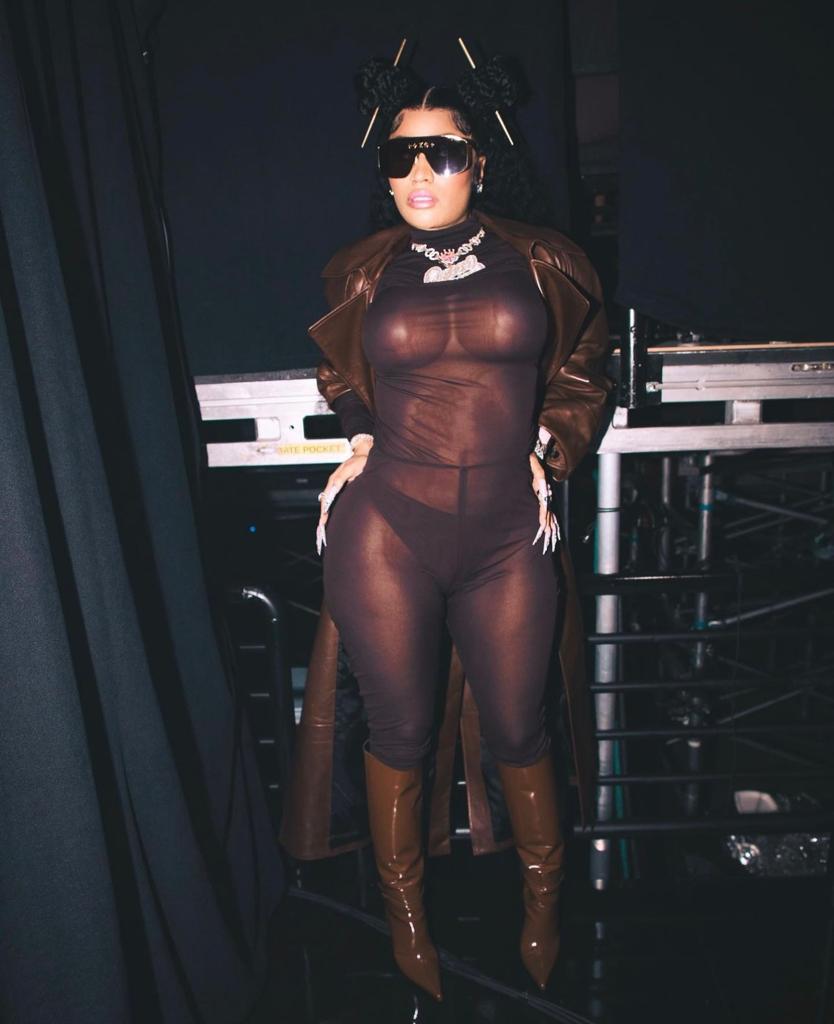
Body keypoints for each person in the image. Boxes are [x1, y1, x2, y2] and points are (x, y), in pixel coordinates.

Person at [281, 59, 611, 1003]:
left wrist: (547, 446)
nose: (420, 171)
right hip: (387, 527)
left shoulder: (546, 259)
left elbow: (584, 368)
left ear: (481, 161)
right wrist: (357, 437)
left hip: (508, 533)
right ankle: (407, 924)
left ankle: (543, 909)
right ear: (383, 168)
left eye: (443, 151)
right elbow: (341, 373)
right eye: (401, 154)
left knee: (518, 725)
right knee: (400, 730)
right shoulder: (361, 268)